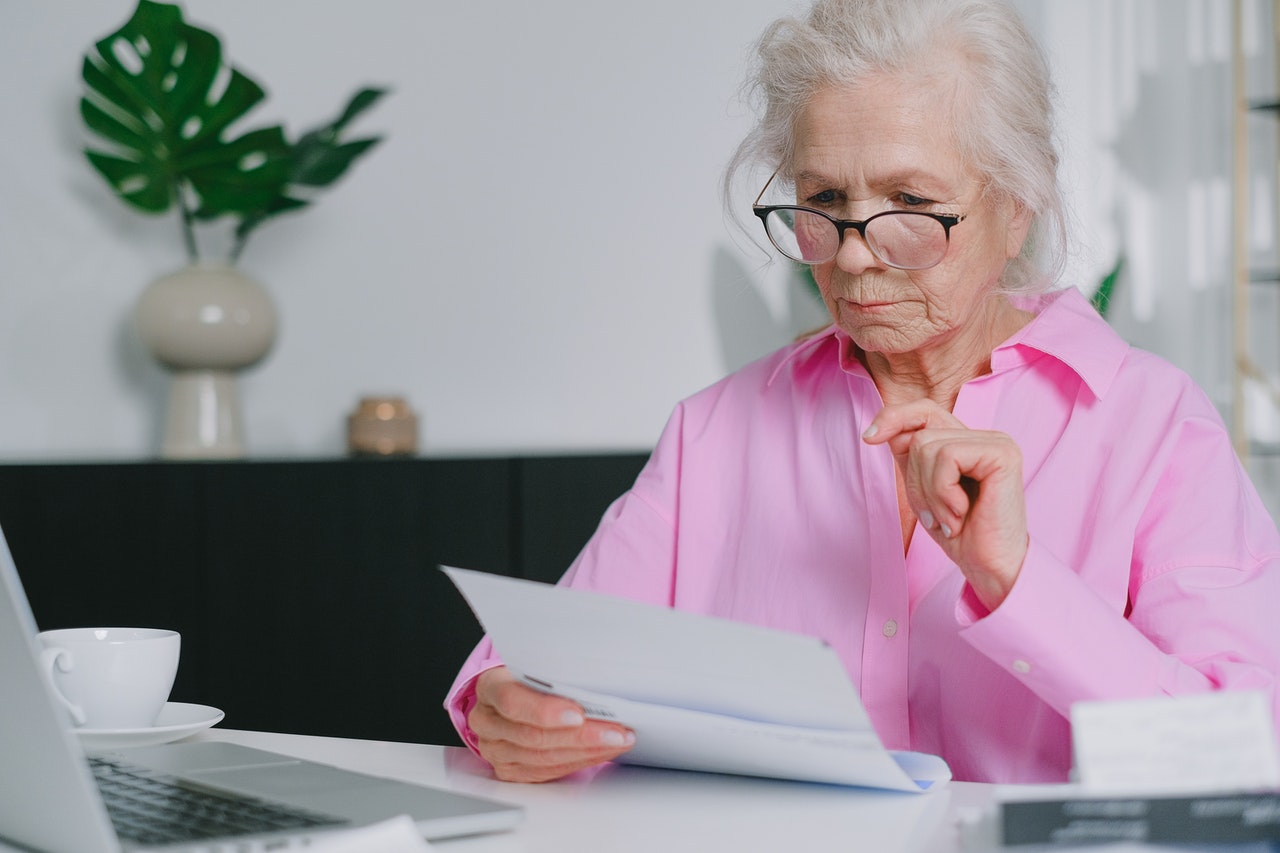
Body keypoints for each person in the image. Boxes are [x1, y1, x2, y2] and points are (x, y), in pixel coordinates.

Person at [445, 0, 1280, 784]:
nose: (849, 257)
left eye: (911, 202)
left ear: (1019, 202)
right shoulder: (719, 429)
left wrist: (1018, 578)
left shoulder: (1155, 426)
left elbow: (1245, 756)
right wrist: (505, 706)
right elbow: (539, 667)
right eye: (824, 201)